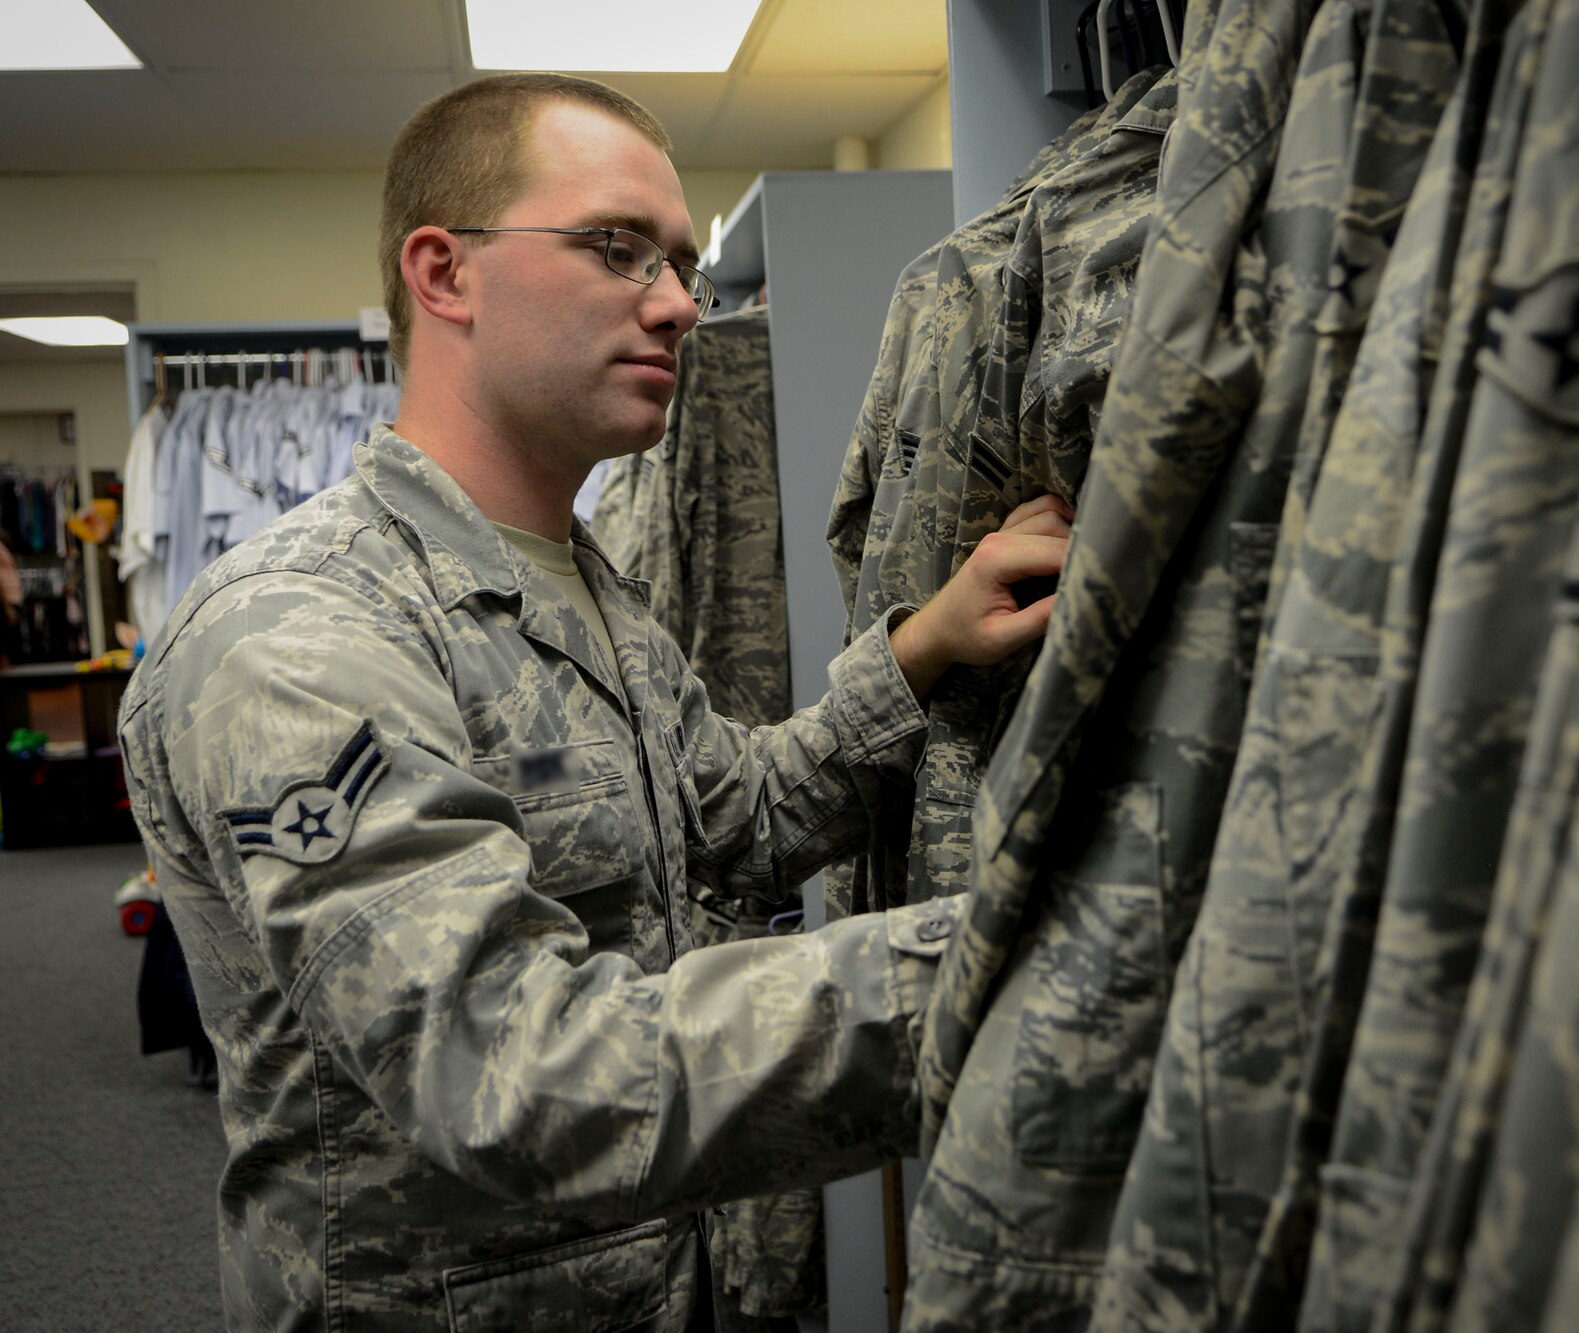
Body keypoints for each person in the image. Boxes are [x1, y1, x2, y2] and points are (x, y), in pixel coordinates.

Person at [116, 72, 1072, 1332]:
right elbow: (509, 1073)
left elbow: (732, 818)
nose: (680, 304)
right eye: (618, 250)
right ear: (443, 273)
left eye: (683, 267)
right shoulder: (296, 634)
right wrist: (1038, 956)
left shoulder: (579, 587)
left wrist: (925, 648)